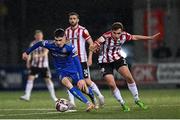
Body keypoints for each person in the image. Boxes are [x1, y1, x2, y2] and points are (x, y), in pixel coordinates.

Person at [90, 22, 160, 112]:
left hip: (117, 59)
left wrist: (149, 38)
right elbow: (97, 41)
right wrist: (93, 46)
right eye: (114, 33)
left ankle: (137, 99)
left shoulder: (124, 35)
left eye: (118, 33)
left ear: (121, 32)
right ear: (111, 31)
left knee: (129, 78)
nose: (116, 35)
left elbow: (134, 37)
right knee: (111, 84)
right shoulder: (106, 36)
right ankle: (122, 103)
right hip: (105, 62)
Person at [22, 28, 95, 112]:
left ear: (65, 38)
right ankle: (88, 103)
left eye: (60, 40)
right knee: (67, 84)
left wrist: (81, 78)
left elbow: (77, 62)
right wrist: (27, 52)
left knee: (84, 89)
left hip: (73, 70)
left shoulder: (70, 47)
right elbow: (38, 43)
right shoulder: (50, 44)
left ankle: (93, 98)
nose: (58, 43)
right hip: (61, 71)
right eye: (56, 40)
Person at [65, 12, 104, 108]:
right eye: (71, 18)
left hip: (82, 60)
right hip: (70, 61)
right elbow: (65, 45)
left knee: (86, 81)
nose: (72, 20)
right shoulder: (66, 32)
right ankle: (72, 103)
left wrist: (90, 57)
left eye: (74, 18)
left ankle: (99, 96)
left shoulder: (83, 30)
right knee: (68, 81)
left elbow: (91, 44)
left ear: (78, 20)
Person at [20, 30, 58, 102]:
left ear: (42, 36)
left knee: (48, 80)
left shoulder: (45, 43)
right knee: (30, 78)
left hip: (44, 65)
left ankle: (54, 97)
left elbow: (45, 53)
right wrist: (28, 62)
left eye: (40, 35)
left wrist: (37, 55)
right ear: (35, 36)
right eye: (37, 35)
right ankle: (27, 96)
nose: (38, 37)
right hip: (35, 65)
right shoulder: (32, 43)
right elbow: (30, 54)